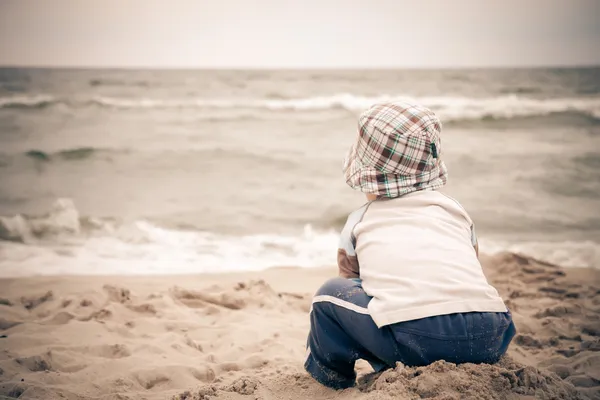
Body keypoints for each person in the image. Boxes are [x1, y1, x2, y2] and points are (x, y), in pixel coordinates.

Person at [304, 101, 516, 389]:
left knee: (328, 297)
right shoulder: (454, 211)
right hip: (492, 334)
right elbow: (470, 263)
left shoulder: (359, 221)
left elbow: (354, 283)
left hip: (421, 341)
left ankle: (334, 378)